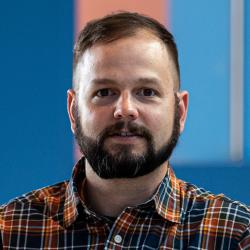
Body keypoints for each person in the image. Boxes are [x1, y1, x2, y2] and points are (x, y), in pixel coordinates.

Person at [0, 12, 249, 250]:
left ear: (180, 111)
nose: (125, 110)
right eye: (104, 92)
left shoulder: (236, 235)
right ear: (73, 111)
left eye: (147, 92)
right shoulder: (9, 231)